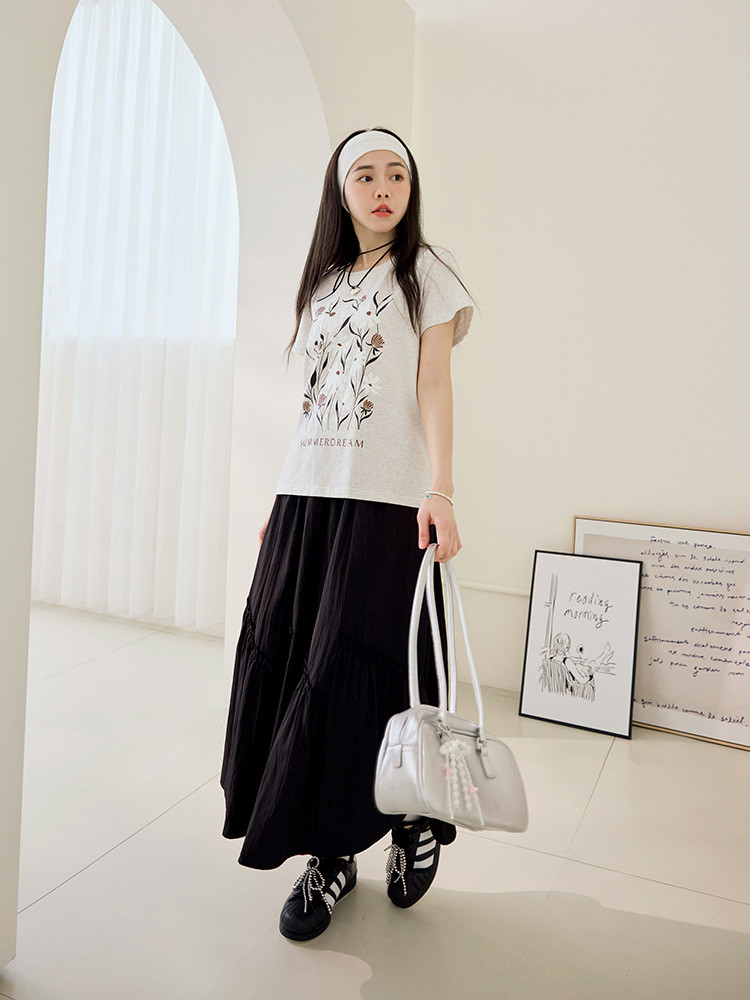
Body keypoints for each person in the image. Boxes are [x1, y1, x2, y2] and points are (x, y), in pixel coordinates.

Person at [220, 127, 475, 942]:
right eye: (364, 175)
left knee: (364, 663)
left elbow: (434, 383)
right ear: (340, 191)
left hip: (385, 500)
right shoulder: (324, 283)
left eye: (397, 174)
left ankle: (409, 816)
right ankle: (329, 853)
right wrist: (282, 495)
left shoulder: (426, 272)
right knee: (298, 661)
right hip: (310, 496)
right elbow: (313, 401)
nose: (383, 187)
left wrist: (440, 488)